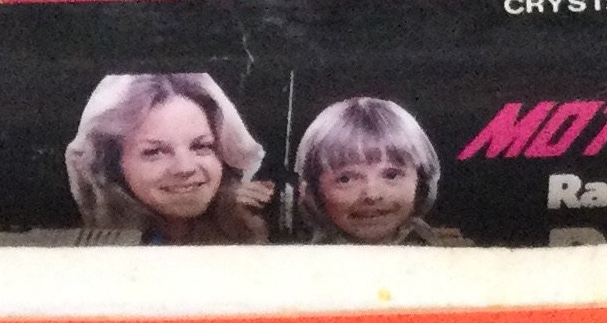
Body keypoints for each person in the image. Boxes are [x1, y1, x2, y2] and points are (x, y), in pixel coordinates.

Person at [64, 73, 272, 246]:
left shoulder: (250, 234)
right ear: (112, 165)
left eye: (201, 146)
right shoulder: (90, 251)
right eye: (155, 152)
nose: (185, 168)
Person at [292, 97, 459, 246]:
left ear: (421, 182)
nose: (372, 195)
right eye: (346, 179)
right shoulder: (295, 261)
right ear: (315, 192)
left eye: (391, 175)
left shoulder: (452, 255)